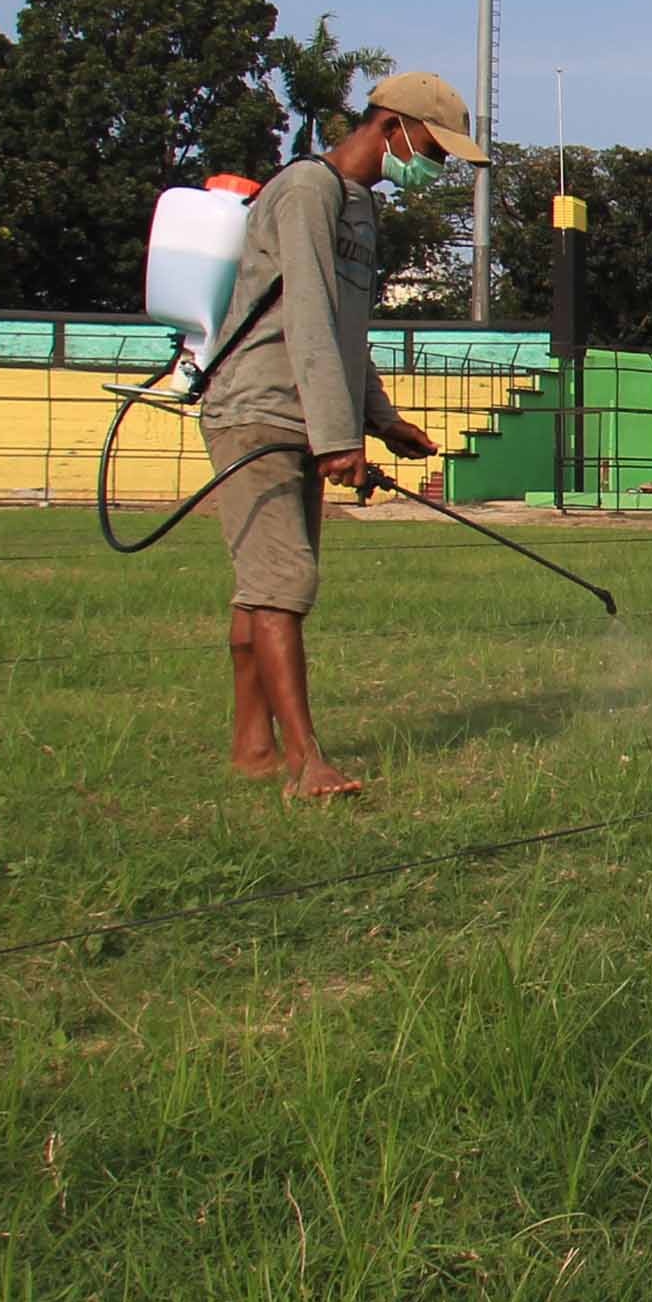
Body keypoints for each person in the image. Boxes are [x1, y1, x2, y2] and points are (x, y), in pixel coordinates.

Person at [195, 69, 485, 796]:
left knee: (262, 589)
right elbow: (308, 319)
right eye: (433, 149)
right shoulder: (306, 191)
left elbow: (347, 329)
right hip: (257, 408)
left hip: (305, 413)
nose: (437, 166)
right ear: (391, 127)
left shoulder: (357, 207)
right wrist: (336, 439)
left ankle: (252, 748)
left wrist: (381, 421)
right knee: (284, 582)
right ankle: (305, 764)